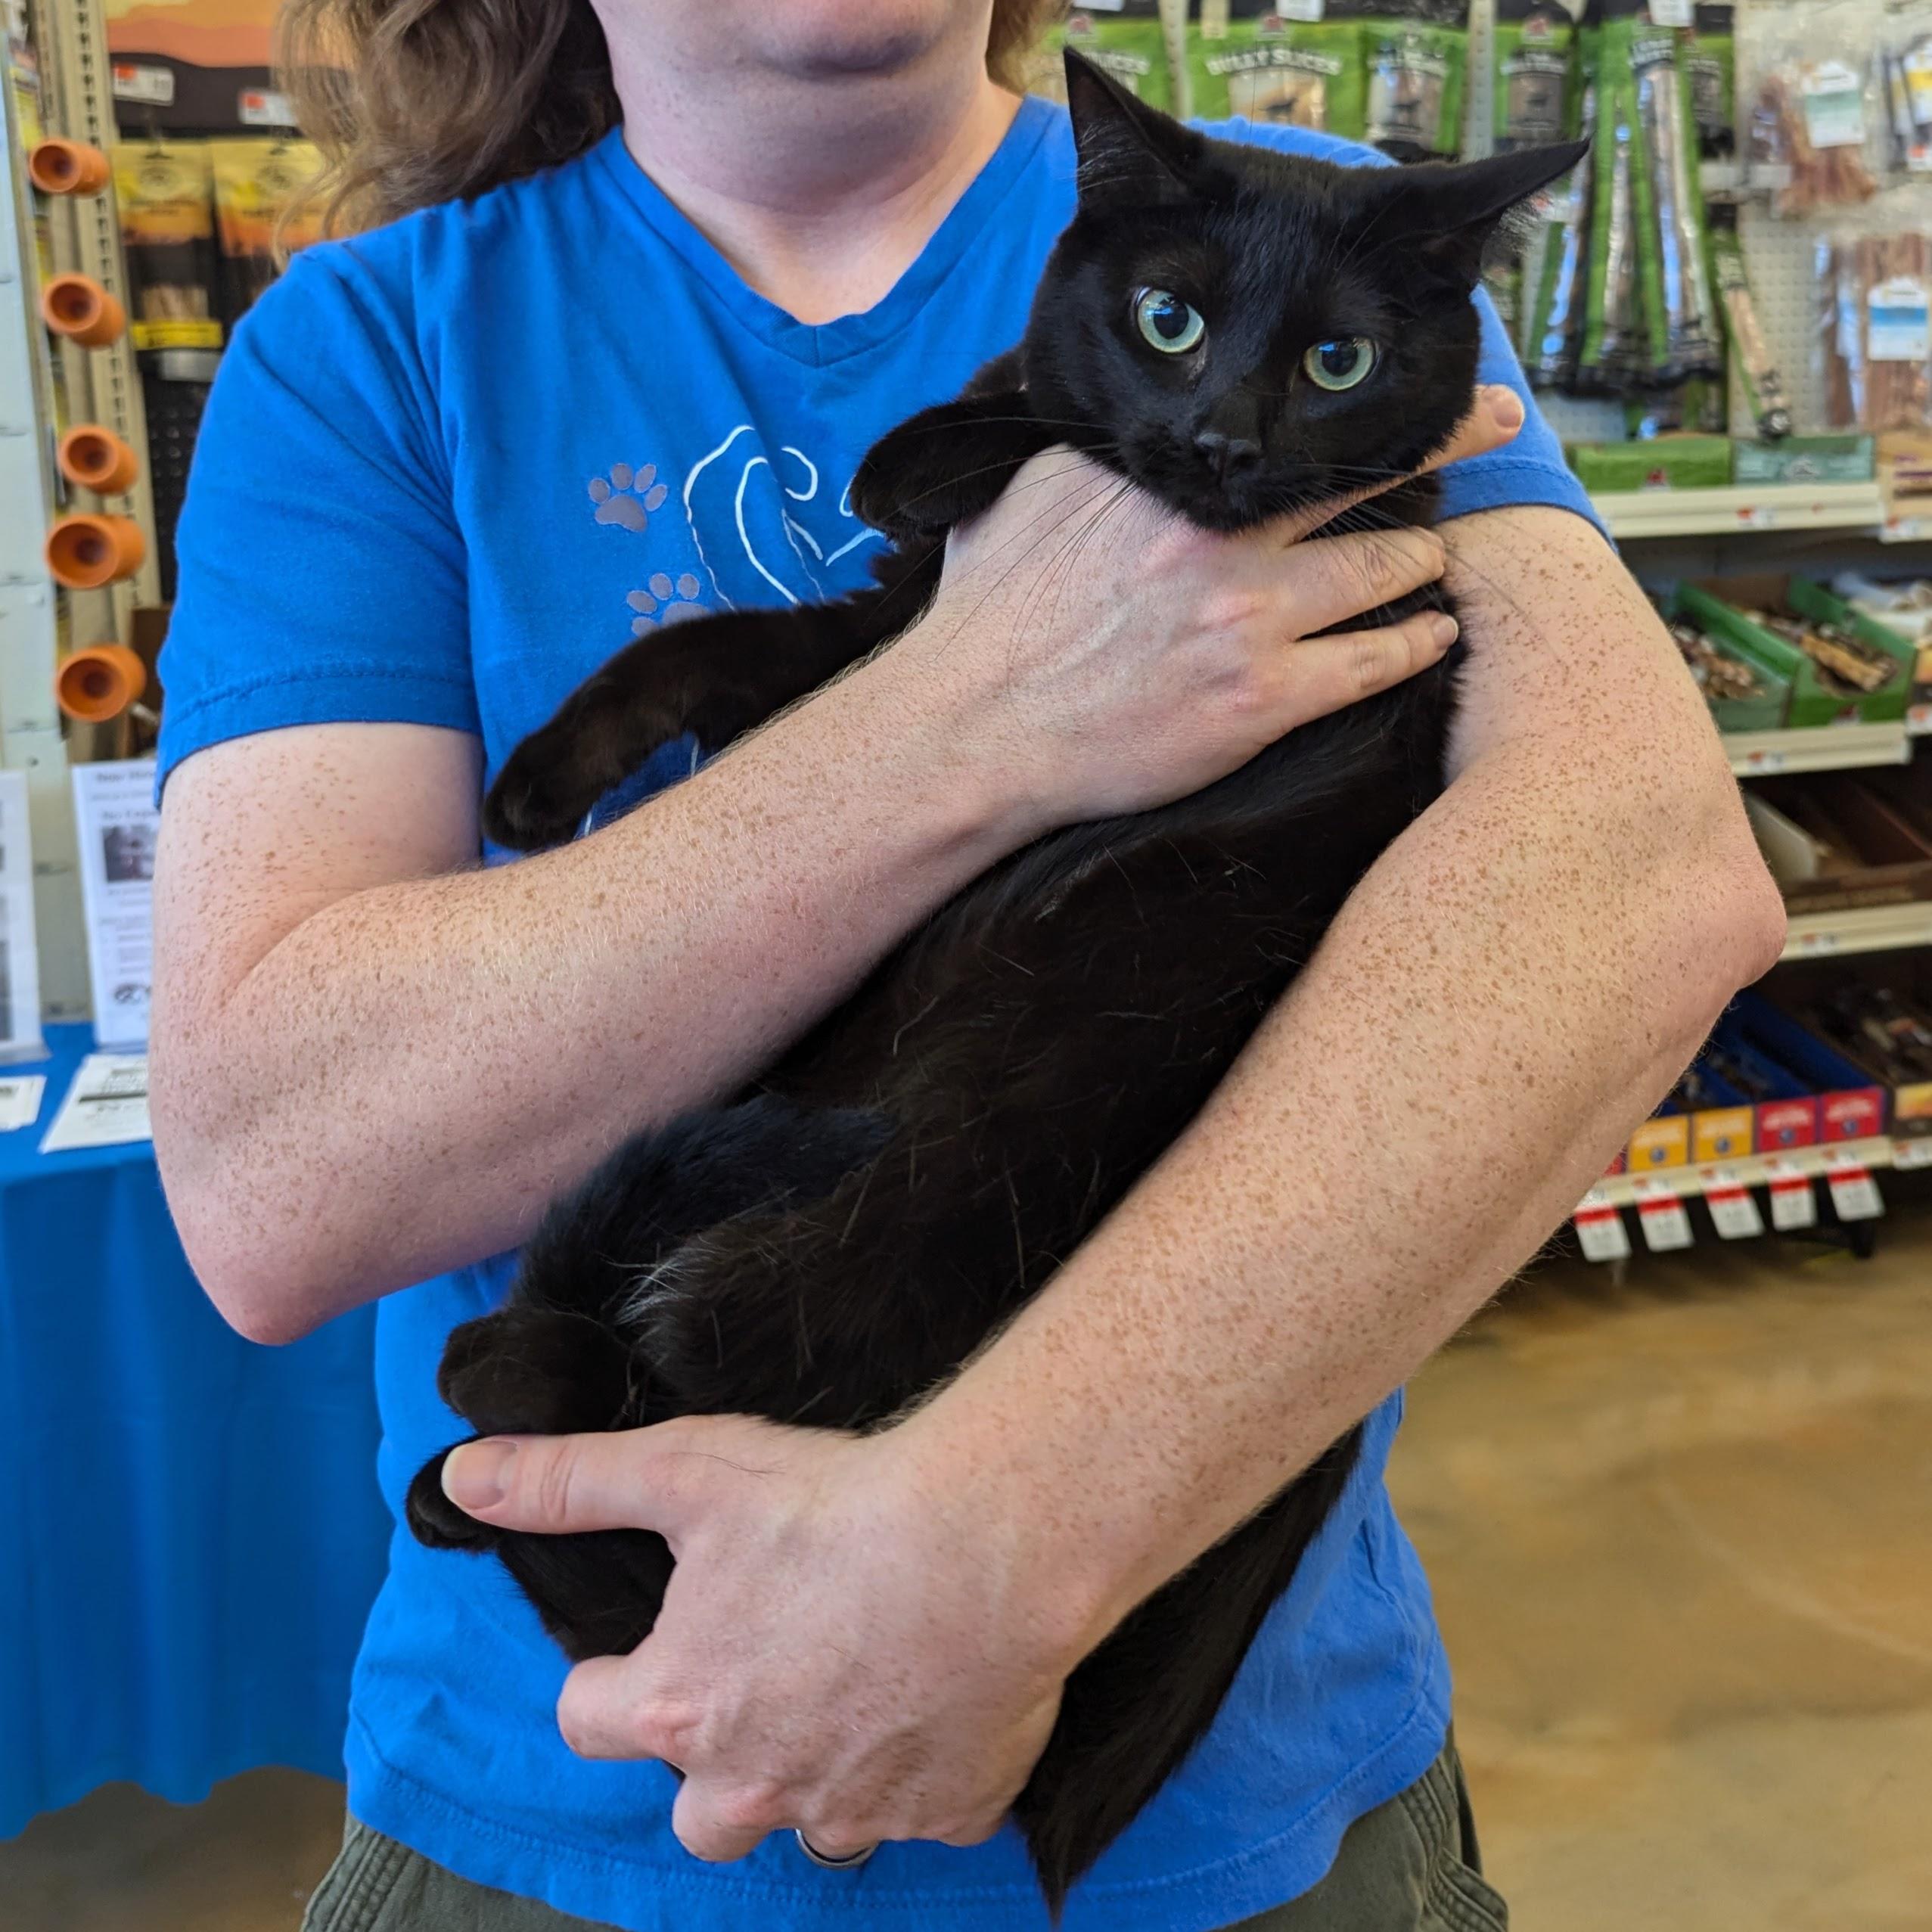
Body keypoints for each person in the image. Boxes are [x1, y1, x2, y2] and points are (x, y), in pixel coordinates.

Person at [148, 3, 1784, 1929]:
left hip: (1232, 1801)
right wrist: (976, 715)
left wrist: (1001, 1531)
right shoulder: (373, 344)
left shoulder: (1317, 213)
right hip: (559, 1808)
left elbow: (1639, 872)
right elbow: (274, 1183)